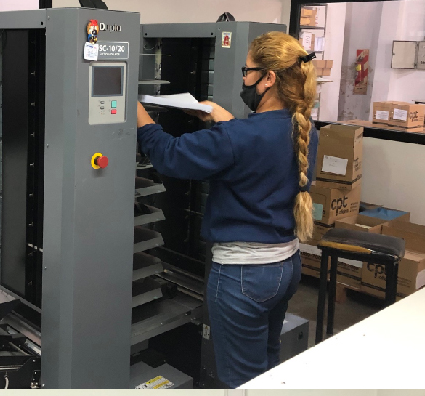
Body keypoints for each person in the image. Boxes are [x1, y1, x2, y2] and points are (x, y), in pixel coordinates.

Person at [136, 31, 319, 388]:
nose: (244, 79)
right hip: (285, 267)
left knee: (241, 381)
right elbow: (257, 151)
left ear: (268, 78)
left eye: (247, 71)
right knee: (266, 366)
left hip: (243, 276)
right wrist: (225, 121)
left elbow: (169, 156)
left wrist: (137, 113)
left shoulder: (238, 138)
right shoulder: (304, 129)